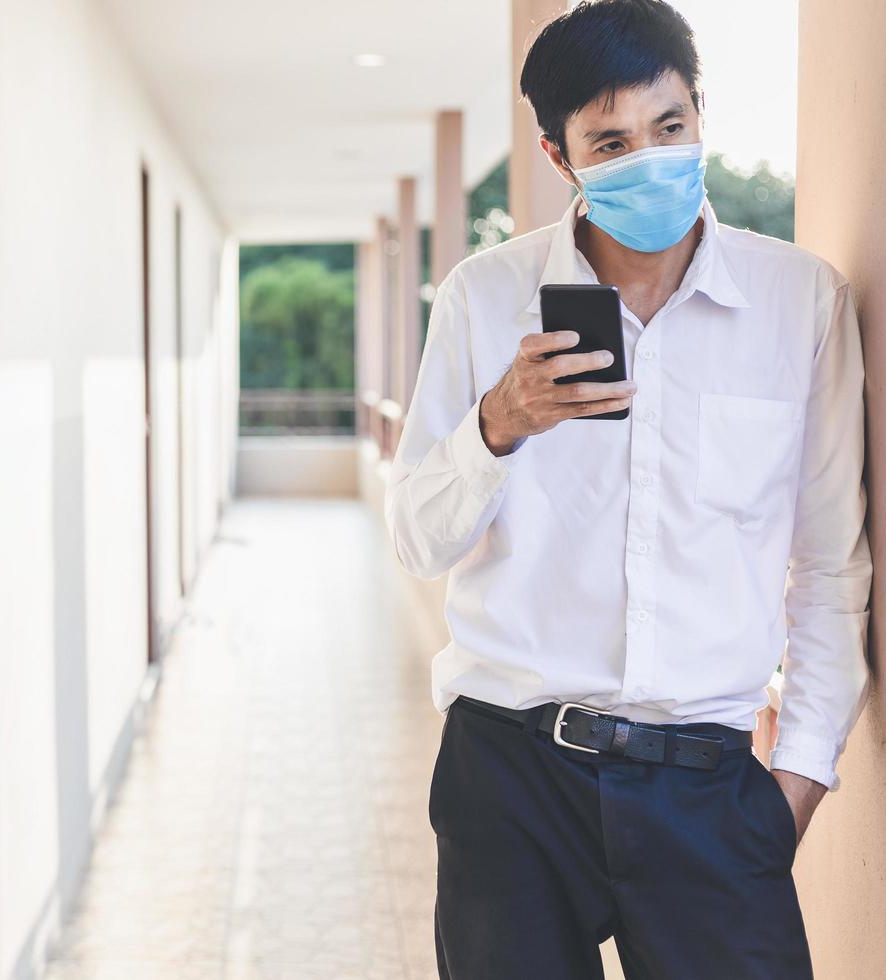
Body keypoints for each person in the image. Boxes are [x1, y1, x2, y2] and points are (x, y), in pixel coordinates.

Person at [383, 0, 869, 976]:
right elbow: (416, 538)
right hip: (510, 776)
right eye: (612, 140)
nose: (651, 156)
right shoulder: (485, 298)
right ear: (563, 159)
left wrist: (799, 778)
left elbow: (828, 561)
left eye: (671, 126)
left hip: (710, 786)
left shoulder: (798, 301)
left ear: (699, 114)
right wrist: (499, 422)